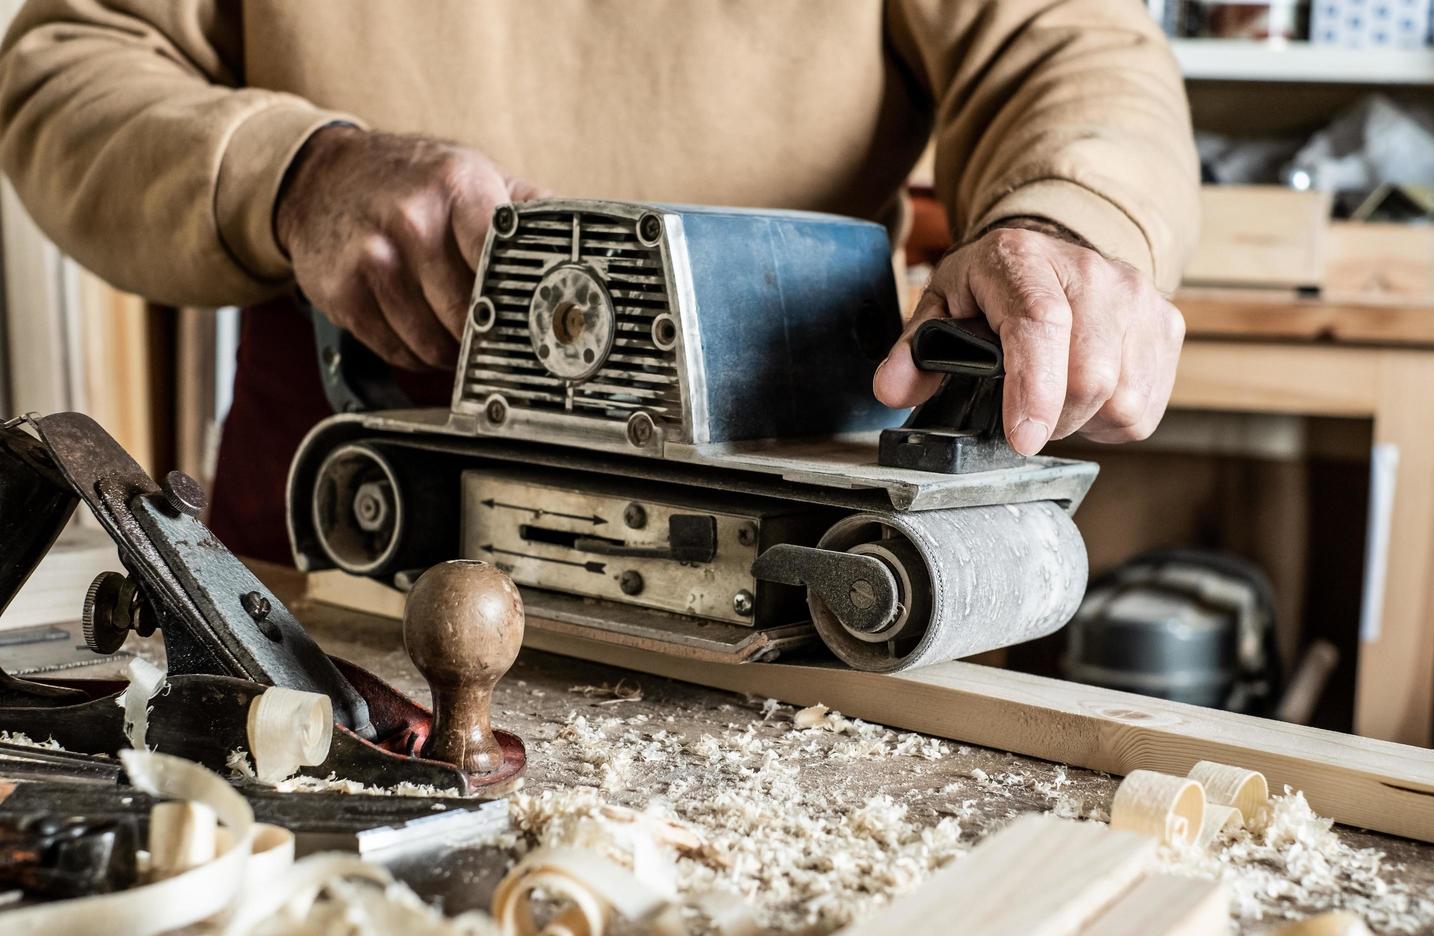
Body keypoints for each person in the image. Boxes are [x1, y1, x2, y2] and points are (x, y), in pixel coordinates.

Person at [0, 1, 1198, 562]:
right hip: (359, 486)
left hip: (795, 515)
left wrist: (1069, 217)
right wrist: (294, 172)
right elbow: (69, 61)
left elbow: (1064, 39)